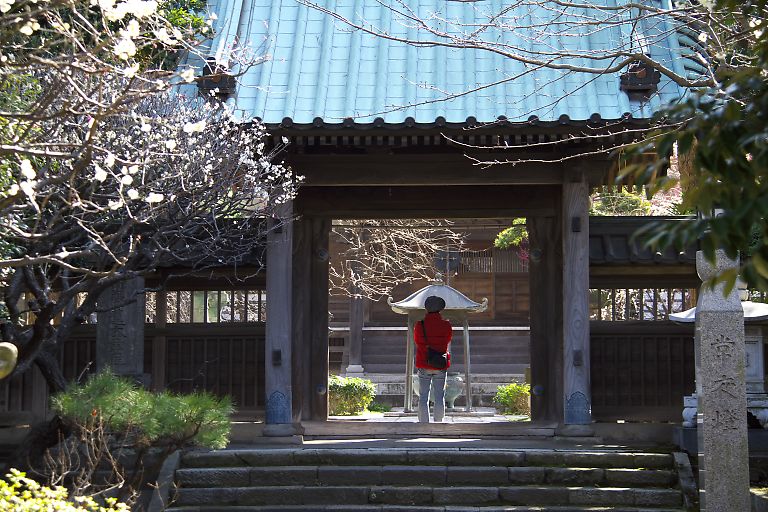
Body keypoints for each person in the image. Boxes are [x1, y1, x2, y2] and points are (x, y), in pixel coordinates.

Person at [413, 295, 452, 423]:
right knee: (440, 395)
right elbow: (447, 340)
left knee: (423, 396)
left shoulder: (420, 325)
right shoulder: (446, 325)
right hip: (440, 363)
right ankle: (439, 422)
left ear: (426, 309)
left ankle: (424, 423)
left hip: (424, 362)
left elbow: (417, 341)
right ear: (440, 310)